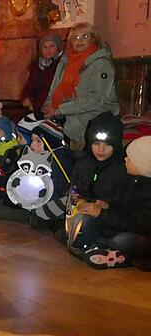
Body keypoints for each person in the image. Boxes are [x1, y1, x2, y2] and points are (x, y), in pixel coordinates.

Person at [75, 136, 151, 271]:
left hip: (141, 236)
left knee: (123, 241)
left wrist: (102, 214)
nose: (125, 160)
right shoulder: (131, 180)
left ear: (143, 165)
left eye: (130, 158)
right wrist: (107, 206)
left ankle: (103, 249)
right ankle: (101, 249)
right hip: (121, 225)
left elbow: (136, 224)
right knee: (89, 218)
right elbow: (121, 203)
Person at [43, 23, 119, 149]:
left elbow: (96, 101)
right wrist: (48, 105)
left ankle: (76, 160)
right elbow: (55, 87)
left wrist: (60, 110)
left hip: (95, 114)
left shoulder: (101, 64)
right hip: (70, 110)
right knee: (36, 127)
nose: (80, 40)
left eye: (85, 36)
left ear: (93, 38)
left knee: (70, 128)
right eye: (76, 37)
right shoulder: (66, 61)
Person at [61, 112, 126, 249]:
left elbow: (124, 200)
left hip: (107, 217)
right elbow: (74, 187)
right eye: (96, 143)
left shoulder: (121, 168)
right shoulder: (84, 162)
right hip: (82, 208)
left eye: (107, 145)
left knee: (89, 224)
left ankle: (96, 245)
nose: (100, 150)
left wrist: (106, 205)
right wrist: (78, 200)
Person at [20, 34, 63, 113]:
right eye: (45, 47)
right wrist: (25, 98)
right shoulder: (37, 65)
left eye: (52, 46)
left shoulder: (61, 65)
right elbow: (29, 85)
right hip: (34, 106)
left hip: (51, 107)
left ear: (58, 48)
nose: (48, 50)